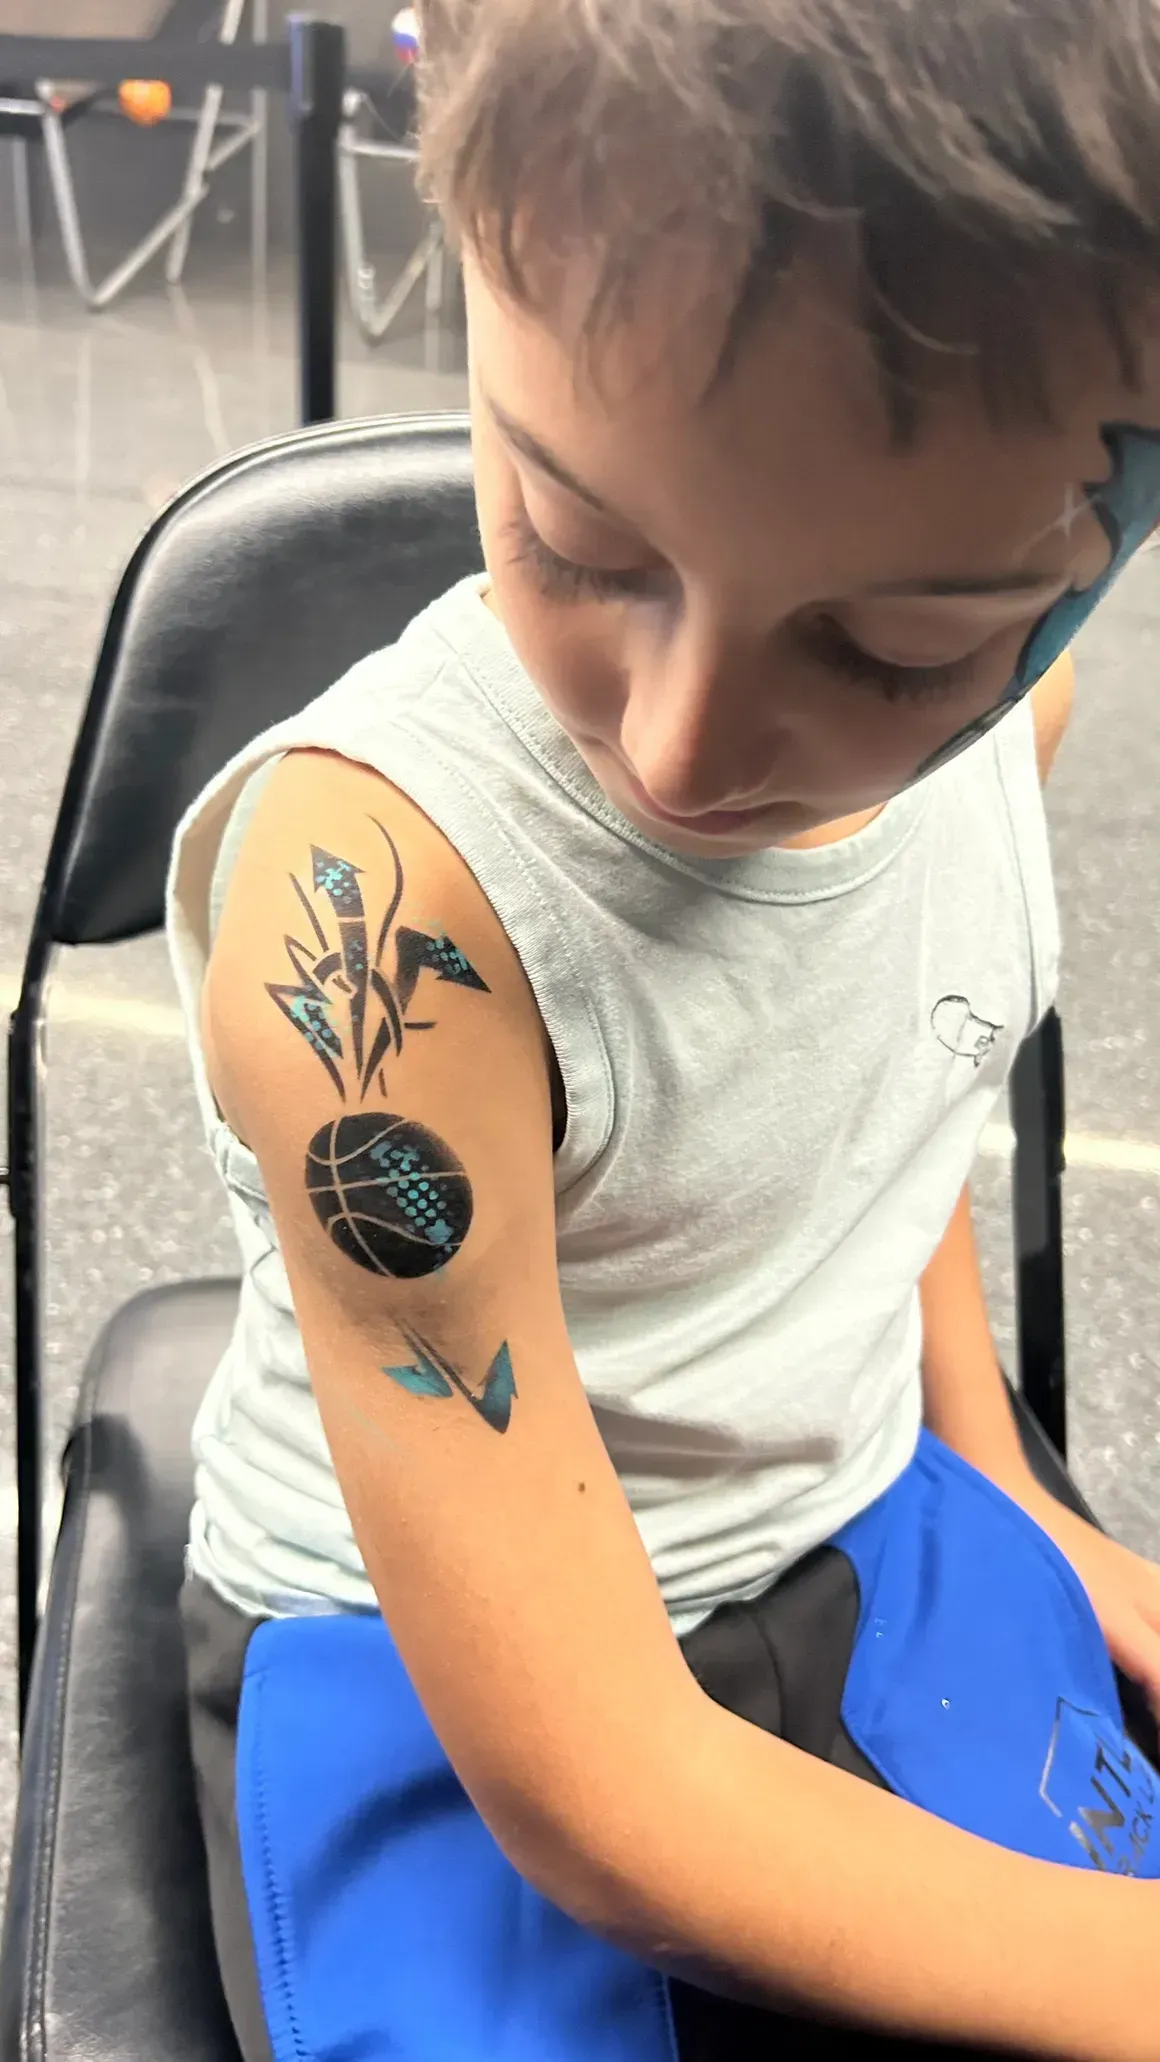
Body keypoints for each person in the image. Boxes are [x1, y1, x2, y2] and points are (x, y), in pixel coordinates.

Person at [167, 3, 1160, 2056]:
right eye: (576, 537)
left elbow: (901, 1058)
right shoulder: (375, 918)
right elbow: (604, 1792)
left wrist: (999, 1476)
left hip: (846, 1493)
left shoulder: (1006, 724)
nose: (685, 744)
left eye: (897, 646)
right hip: (456, 1661)